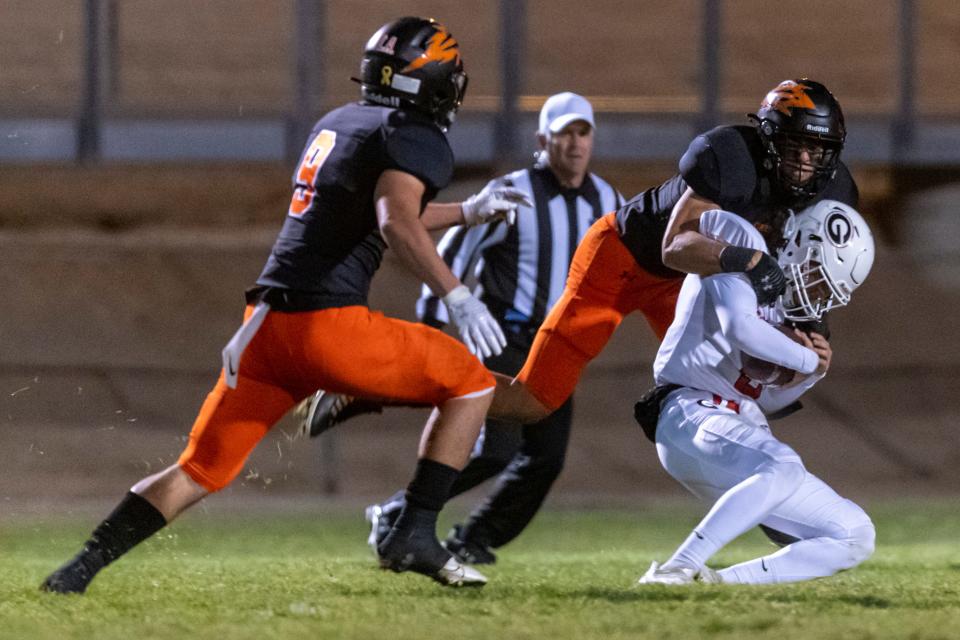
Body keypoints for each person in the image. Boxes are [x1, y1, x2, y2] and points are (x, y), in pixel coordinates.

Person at [40, 16, 532, 594]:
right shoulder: (414, 133)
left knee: (197, 470)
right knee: (471, 384)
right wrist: (457, 293)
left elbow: (379, 211)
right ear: (434, 83)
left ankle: (78, 571)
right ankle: (412, 531)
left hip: (262, 331)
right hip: (329, 330)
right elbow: (396, 221)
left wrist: (466, 212)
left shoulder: (339, 123)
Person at [304, 79, 859, 552]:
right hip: (627, 258)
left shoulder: (833, 192)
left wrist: (813, 331)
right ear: (766, 139)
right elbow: (675, 244)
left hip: (694, 284)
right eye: (794, 146)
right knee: (530, 401)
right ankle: (376, 384)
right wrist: (749, 260)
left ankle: (781, 515)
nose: (806, 162)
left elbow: (819, 264)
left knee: (743, 392)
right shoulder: (731, 156)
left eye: (818, 150)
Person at [299, 92, 622, 563]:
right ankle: (402, 500)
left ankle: (468, 536)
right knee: (497, 448)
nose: (574, 144)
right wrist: (435, 315)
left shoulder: (608, 199)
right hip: (504, 336)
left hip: (557, 347)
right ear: (543, 140)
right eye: (564, 133)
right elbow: (456, 252)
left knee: (545, 459)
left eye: (583, 132)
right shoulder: (516, 191)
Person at [637, 199, 876, 585]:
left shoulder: (782, 310)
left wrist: (813, 374)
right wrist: (804, 359)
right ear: (800, 244)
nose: (816, 296)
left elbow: (761, 400)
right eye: (818, 276)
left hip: (731, 422)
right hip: (688, 410)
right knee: (783, 464)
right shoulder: (743, 245)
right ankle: (676, 569)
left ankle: (713, 584)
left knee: (854, 534)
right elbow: (741, 328)